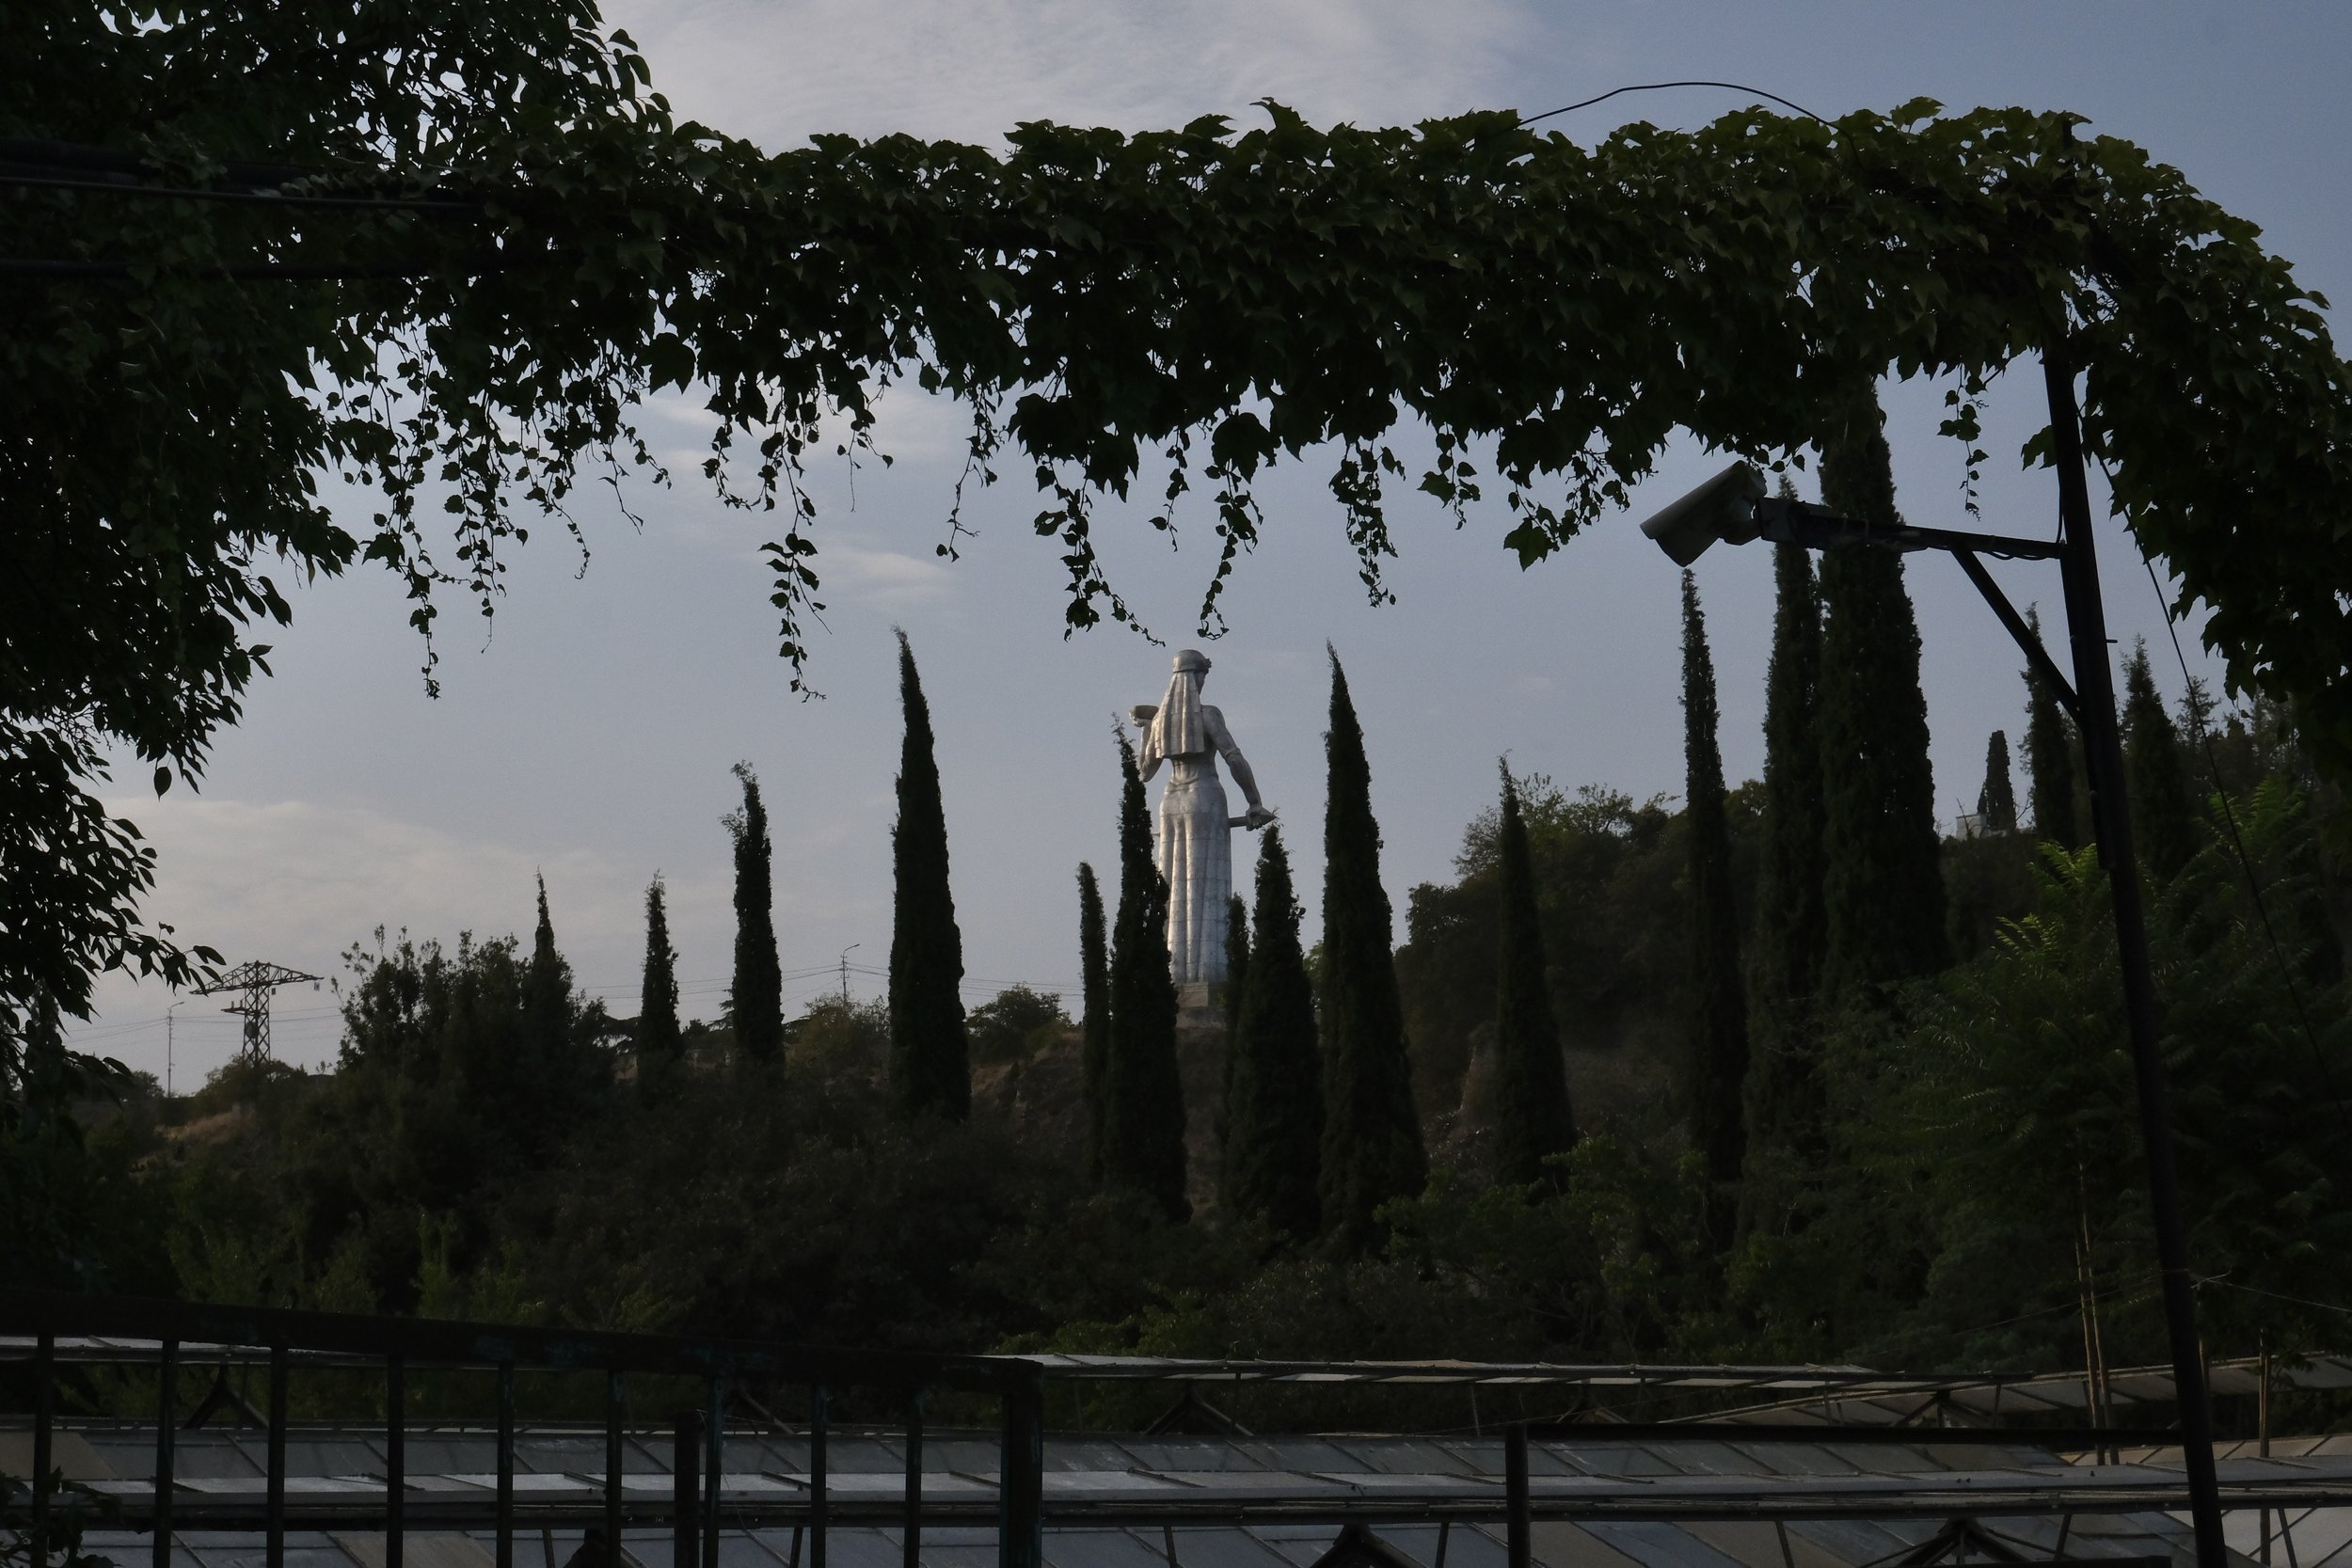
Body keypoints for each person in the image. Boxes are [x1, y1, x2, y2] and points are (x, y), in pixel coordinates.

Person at [1132, 649, 1273, 991]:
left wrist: (1147, 729)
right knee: (1204, 885)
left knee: (1172, 884)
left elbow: (1144, 773)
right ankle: (1206, 975)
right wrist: (1255, 802)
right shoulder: (1208, 715)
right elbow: (1233, 757)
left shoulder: (1162, 722)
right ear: (1195, 678)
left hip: (1170, 802)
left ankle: (1174, 973)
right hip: (1203, 798)